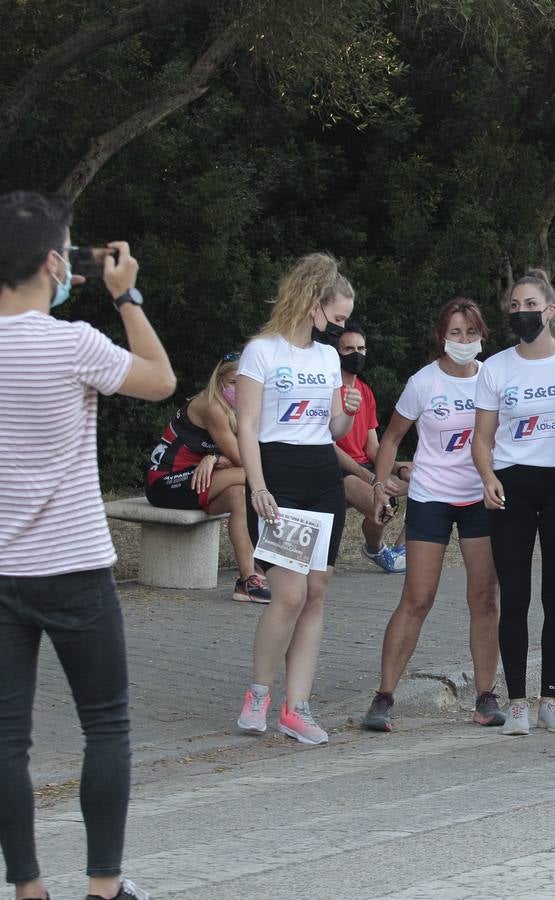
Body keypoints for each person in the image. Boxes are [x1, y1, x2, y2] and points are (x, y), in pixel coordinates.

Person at [1, 191, 174, 900]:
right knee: (105, 726)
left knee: (8, 738)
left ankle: (27, 890)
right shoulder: (74, 342)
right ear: (53, 261)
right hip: (73, 562)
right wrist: (126, 294)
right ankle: (103, 888)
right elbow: (161, 379)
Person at [235, 253, 361, 746]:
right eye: (338, 316)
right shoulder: (261, 351)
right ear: (312, 303)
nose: (341, 328)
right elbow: (245, 424)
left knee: (315, 593)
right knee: (288, 593)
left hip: (321, 476)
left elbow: (334, 429)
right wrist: (258, 485)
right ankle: (259, 694)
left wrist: (348, 412)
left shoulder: (328, 358)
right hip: (278, 475)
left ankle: (297, 707)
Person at [362, 299, 504, 732]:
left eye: (471, 333)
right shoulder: (423, 382)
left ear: (483, 335)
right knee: (417, 598)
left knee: (485, 599)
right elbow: (390, 439)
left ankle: (486, 696)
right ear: (441, 335)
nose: (464, 342)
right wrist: (380, 488)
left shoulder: (494, 377)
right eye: (455, 333)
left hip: (480, 497)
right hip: (431, 497)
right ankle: (384, 696)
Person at [473, 269, 555, 736]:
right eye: (515, 306)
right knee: (514, 596)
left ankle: (551, 700)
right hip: (511, 489)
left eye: (531, 306)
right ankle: (516, 701)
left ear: (551, 311)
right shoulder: (494, 367)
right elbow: (482, 439)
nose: (522, 313)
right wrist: (487, 477)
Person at [144, 350, 271, 603]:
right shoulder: (214, 406)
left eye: (245, 382)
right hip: (166, 481)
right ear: (219, 380)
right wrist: (220, 459)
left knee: (239, 495)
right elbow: (244, 459)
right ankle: (264, 563)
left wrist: (214, 459)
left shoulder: (236, 407)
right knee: (253, 477)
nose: (241, 388)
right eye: (234, 383)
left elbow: (240, 454)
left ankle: (247, 579)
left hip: (195, 477)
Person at [334, 323, 409, 573]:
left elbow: (373, 447)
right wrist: (373, 478)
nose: (356, 354)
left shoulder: (365, 390)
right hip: (340, 471)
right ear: (336, 352)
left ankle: (402, 550)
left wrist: (398, 468)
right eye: (348, 349)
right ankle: (377, 550)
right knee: (383, 505)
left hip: (365, 466)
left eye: (361, 348)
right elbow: (329, 446)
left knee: (434, 481)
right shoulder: (329, 389)